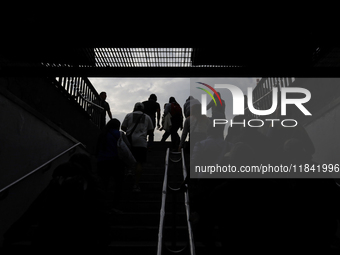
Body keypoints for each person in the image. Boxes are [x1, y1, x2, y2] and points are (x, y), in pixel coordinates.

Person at [121, 102, 154, 192]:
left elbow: (123, 127)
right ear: (142, 109)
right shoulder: (147, 117)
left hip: (129, 141)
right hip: (141, 142)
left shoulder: (129, 115)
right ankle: (136, 185)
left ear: (134, 108)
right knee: (139, 162)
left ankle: (129, 171)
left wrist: (129, 130)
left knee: (128, 158)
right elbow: (151, 130)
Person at [96, 118, 126, 211]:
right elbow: (124, 147)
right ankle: (114, 206)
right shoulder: (119, 134)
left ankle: (100, 205)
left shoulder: (102, 134)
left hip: (102, 161)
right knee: (118, 184)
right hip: (115, 161)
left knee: (103, 183)